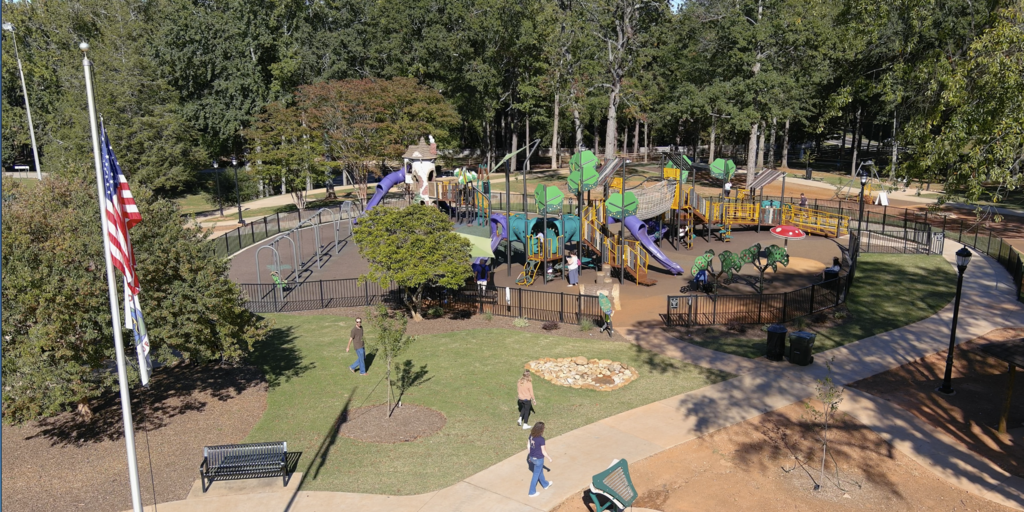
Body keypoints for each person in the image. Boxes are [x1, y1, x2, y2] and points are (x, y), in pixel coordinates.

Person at [527, 422, 553, 497]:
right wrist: (549, 458)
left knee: (539, 471)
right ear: (541, 430)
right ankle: (532, 492)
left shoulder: (531, 436)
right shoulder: (541, 439)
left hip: (532, 457)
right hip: (539, 459)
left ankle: (545, 484)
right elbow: (543, 451)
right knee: (536, 475)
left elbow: (528, 446)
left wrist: (529, 455)